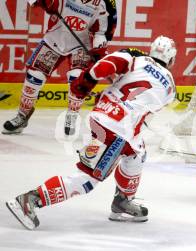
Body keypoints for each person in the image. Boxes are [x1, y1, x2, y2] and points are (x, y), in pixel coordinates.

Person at [5, 36, 177, 230]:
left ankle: (122, 201)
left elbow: (106, 66)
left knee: (137, 153)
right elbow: (144, 107)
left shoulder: (136, 57)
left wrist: (86, 80)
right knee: (88, 178)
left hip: (106, 119)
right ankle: (30, 199)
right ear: (171, 61)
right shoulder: (171, 88)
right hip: (117, 129)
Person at [3, 0, 117, 136]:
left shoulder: (104, 3)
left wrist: (99, 50)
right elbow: (45, 4)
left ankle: (72, 115)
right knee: (34, 76)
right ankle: (22, 115)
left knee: (77, 77)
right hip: (54, 38)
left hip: (82, 44)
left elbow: (101, 31)